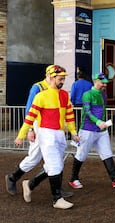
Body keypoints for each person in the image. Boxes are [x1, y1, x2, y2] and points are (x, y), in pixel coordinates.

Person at [14, 65, 79, 209]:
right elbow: (30, 117)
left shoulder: (64, 95)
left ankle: (30, 184)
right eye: (60, 79)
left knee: (56, 166)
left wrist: (73, 132)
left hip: (59, 134)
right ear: (50, 77)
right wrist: (22, 135)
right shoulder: (40, 96)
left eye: (63, 79)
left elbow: (69, 115)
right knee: (55, 165)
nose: (62, 81)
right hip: (46, 133)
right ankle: (57, 199)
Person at [68, 72, 115, 189]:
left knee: (107, 153)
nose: (105, 85)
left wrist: (102, 123)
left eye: (106, 83)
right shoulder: (87, 94)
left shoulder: (103, 94)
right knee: (81, 154)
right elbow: (87, 111)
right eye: (103, 83)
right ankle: (73, 178)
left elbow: (101, 110)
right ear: (95, 81)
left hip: (101, 130)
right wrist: (98, 122)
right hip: (88, 129)